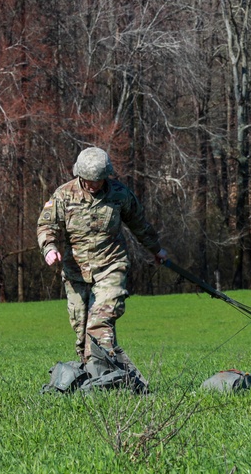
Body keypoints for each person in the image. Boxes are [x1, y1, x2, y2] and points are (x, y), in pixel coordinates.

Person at [37, 146, 168, 365]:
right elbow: (46, 225)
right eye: (88, 179)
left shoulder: (120, 194)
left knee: (100, 322)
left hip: (111, 266)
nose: (93, 184)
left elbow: (139, 224)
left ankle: (106, 375)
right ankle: (94, 374)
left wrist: (156, 249)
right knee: (81, 331)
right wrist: (49, 247)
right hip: (76, 272)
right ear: (79, 174)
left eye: (98, 179)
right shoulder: (63, 195)